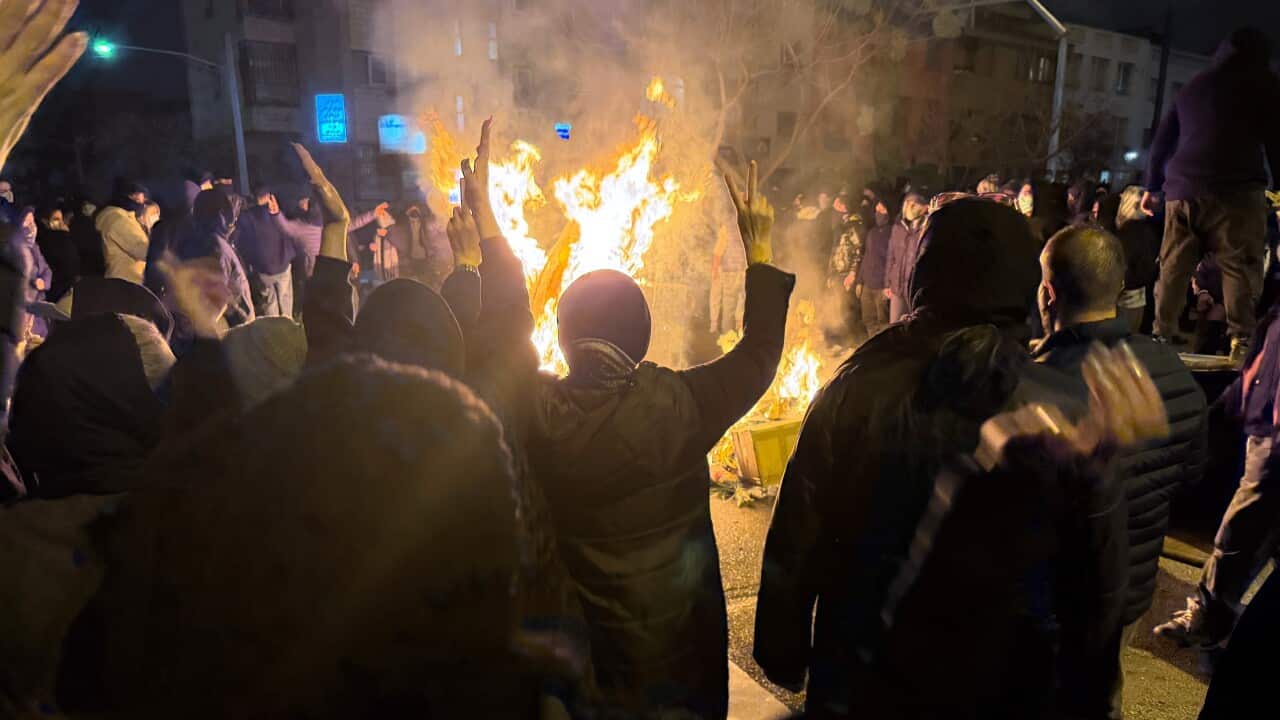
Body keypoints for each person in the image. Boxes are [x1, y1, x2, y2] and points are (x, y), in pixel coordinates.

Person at [754, 199, 1138, 718]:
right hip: (1005, 684)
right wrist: (1091, 691)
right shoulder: (1069, 408)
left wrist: (783, 651)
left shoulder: (854, 387)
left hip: (865, 676)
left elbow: (797, 536)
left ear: (924, 275)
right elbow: (1099, 578)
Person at [528, 161, 793, 717]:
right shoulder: (681, 405)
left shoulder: (538, 415)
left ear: (564, 339)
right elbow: (759, 353)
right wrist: (760, 252)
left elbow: (493, 359)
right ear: (641, 335)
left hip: (595, 671)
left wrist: (478, 257)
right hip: (683, 666)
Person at [1032, 225, 1209, 718]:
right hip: (1129, 591)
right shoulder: (1171, 369)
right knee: (1102, 690)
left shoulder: (1035, 385)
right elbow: (1191, 475)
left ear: (1048, 294)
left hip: (1055, 603)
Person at [1143, 27, 1280, 364]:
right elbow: (1277, 140)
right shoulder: (1262, 83)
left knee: (1174, 266)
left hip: (1182, 191)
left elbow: (1161, 141)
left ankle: (1161, 335)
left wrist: (1151, 187)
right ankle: (1240, 340)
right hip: (1236, 191)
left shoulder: (1195, 85)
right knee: (1239, 264)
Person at [1154, 292, 1280, 649]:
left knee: (1239, 535)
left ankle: (1211, 623)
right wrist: (1222, 411)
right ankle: (1209, 621)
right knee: (1238, 538)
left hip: (1273, 447)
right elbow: (1259, 370)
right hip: (1263, 438)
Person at [236, 186, 297, 318]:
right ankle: (288, 324)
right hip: (283, 265)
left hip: (263, 270)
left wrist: (251, 264)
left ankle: (273, 327)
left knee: (269, 303)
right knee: (285, 298)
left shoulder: (246, 217)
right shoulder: (278, 212)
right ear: (269, 196)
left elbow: (242, 245)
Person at [95, 180, 150, 285]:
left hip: (124, 281)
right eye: (141, 194)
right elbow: (143, 250)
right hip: (126, 282)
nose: (144, 200)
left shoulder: (119, 217)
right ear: (131, 195)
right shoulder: (118, 219)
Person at [884, 191, 927, 322]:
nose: (909, 207)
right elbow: (891, 257)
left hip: (915, 288)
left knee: (914, 325)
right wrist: (887, 283)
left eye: (913, 204)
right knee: (895, 324)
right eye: (907, 203)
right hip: (897, 288)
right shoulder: (898, 228)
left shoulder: (926, 227)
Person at [8, 209, 51, 337]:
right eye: (27, 222)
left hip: (38, 313)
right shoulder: (11, 251)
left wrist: (43, 282)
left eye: (33, 221)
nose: (31, 226)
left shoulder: (34, 247)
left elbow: (46, 270)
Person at [857, 198, 893, 336]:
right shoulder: (871, 233)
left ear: (888, 212)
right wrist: (860, 281)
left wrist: (889, 284)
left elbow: (894, 260)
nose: (878, 213)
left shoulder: (893, 232)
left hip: (882, 286)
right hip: (867, 285)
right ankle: (871, 345)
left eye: (882, 210)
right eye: (877, 210)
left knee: (883, 322)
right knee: (868, 319)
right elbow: (866, 256)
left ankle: (883, 348)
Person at [709, 221, 746, 336]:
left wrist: (715, 270)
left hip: (731, 273)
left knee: (729, 305)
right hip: (743, 271)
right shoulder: (746, 227)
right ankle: (739, 330)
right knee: (743, 301)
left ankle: (728, 335)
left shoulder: (726, 230)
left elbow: (717, 253)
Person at [35, 205, 77, 302]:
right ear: (45, 221)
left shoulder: (62, 238)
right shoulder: (53, 240)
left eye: (61, 219)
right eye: (56, 219)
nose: (61, 223)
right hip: (54, 291)